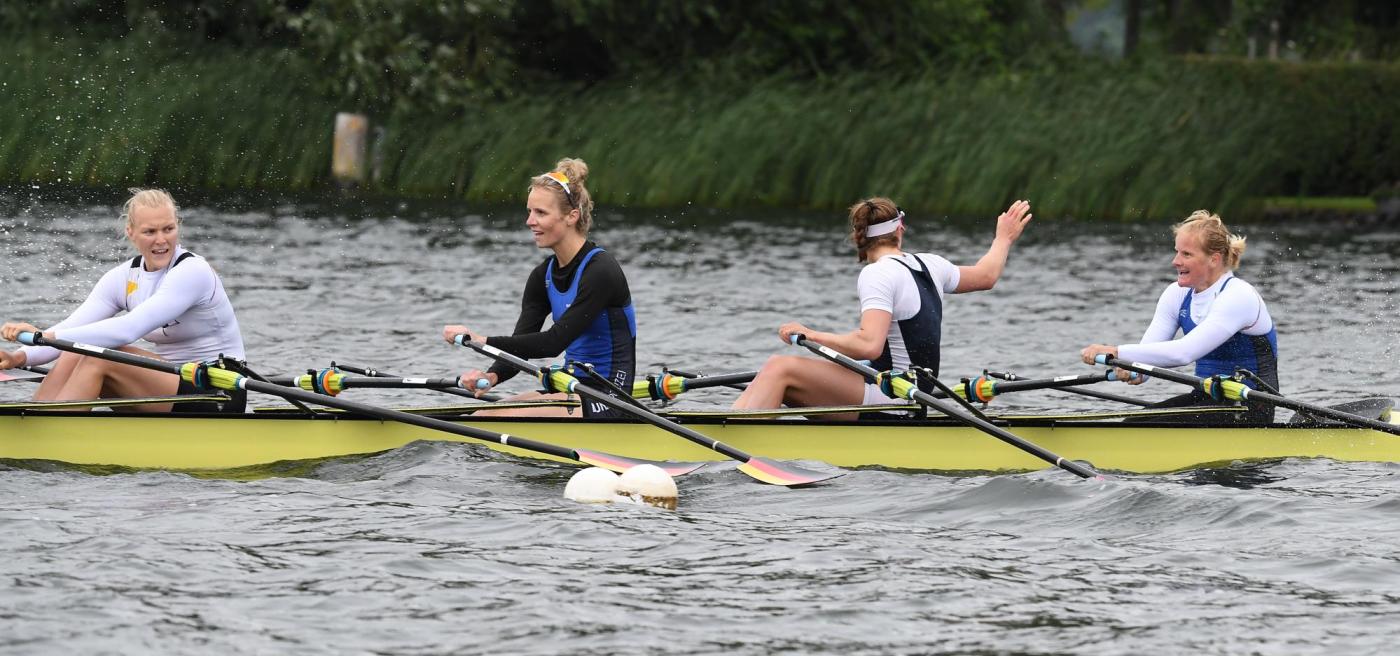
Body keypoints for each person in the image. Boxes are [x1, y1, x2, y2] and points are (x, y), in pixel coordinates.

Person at [732, 197, 1033, 420]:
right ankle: (740, 428)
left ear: (859, 238)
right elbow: (986, 276)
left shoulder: (878, 274)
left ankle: (735, 443)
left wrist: (810, 334)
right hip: (914, 392)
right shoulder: (932, 264)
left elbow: (869, 345)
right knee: (777, 373)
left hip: (894, 398)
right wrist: (1003, 238)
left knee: (779, 367)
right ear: (900, 229)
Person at [0, 188, 246, 412]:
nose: (161, 240)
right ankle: (36, 417)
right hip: (172, 383)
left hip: (219, 389)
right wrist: (18, 357)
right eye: (150, 232)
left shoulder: (192, 271)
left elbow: (128, 329)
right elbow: (71, 327)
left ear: (177, 227)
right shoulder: (122, 277)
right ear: (131, 232)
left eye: (168, 229)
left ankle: (53, 432)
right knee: (73, 352)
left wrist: (46, 337)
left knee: (96, 355)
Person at [443, 157, 636, 418]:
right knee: (481, 415)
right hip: (572, 388)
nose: (529, 221)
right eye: (530, 211)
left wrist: (480, 340)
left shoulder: (601, 271)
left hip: (611, 398)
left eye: (540, 213)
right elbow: (521, 344)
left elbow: (553, 343)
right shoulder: (541, 277)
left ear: (571, 216)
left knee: (495, 418)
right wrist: (492, 376)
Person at [1079, 210, 1278, 424]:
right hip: (1206, 398)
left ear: (1214, 259)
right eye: (1177, 252)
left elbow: (1183, 353)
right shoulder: (1177, 294)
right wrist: (1134, 369)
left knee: (1139, 427)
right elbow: (1147, 355)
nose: (1175, 261)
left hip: (1252, 406)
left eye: (1186, 254)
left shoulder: (1238, 295)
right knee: (1133, 424)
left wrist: (1116, 351)